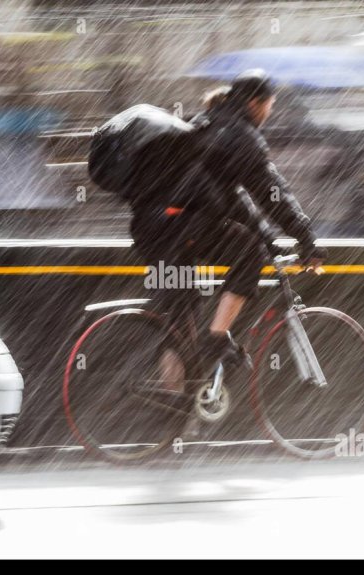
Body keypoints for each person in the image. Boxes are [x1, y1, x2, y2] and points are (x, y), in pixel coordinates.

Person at [129, 69, 326, 378]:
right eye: (269, 106)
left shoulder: (201, 124)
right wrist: (307, 238)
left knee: (180, 320)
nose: (269, 114)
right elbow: (272, 194)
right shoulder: (241, 137)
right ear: (257, 103)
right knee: (249, 253)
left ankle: (172, 406)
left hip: (151, 228)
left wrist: (267, 236)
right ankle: (217, 337)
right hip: (182, 229)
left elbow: (230, 199)